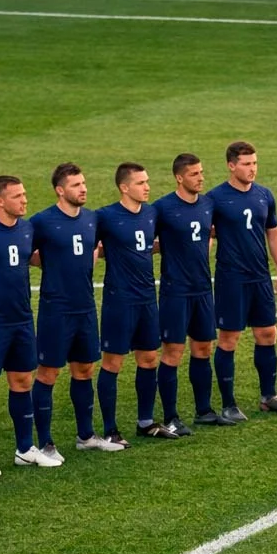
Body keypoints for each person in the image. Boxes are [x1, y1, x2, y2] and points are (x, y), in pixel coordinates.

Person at [0, 175, 59, 471]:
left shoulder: (27, 229)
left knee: (22, 380)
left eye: (24, 194)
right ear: (0, 200)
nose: (24, 200)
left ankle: (25, 448)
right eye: (17, 196)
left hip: (22, 318)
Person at [30, 163, 120, 454]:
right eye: (75, 185)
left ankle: (86, 436)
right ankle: (45, 443)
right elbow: (23, 252)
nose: (83, 189)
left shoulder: (92, 219)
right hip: (56, 309)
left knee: (84, 369)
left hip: (85, 307)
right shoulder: (42, 221)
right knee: (48, 373)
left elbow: (94, 248)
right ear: (60, 190)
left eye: (83, 183)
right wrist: (51, 263)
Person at [207, 141, 277, 419]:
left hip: (260, 277)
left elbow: (273, 233)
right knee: (229, 339)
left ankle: (269, 397)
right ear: (231, 165)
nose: (252, 169)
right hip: (231, 279)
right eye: (246, 164)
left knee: (267, 334)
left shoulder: (264, 195)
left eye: (255, 163)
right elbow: (206, 236)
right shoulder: (215, 199)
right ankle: (228, 404)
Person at [95, 163, 176, 443]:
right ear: (124, 187)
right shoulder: (105, 216)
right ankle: (110, 430)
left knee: (149, 358)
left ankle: (146, 422)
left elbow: (155, 243)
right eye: (140, 183)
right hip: (119, 300)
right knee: (113, 362)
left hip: (147, 299)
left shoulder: (152, 213)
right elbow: (90, 246)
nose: (147, 187)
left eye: (147, 181)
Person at [153, 153, 226, 431]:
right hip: (175, 291)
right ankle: (171, 417)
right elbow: (145, 240)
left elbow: (209, 234)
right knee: (173, 351)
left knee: (203, 348)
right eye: (194, 174)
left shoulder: (207, 204)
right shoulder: (163, 208)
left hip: (202, 290)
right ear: (179, 177)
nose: (201, 178)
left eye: (201, 172)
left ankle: (204, 410)